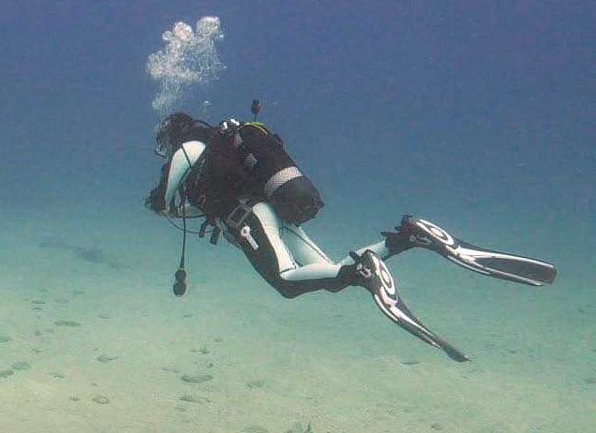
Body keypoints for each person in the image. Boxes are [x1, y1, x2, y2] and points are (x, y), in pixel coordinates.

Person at [145, 104, 557, 362]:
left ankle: (363, 272)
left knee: (287, 282)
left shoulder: (188, 150)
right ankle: (405, 239)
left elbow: (165, 202)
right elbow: (201, 205)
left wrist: (160, 201)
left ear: (173, 134)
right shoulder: (218, 146)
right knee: (330, 272)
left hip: (250, 218)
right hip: (268, 211)